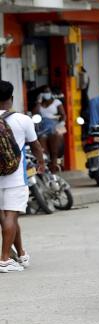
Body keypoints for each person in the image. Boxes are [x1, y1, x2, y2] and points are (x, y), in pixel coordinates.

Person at [0, 80, 45, 272]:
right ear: (11, 98)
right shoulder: (23, 120)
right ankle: (4, 259)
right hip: (15, 177)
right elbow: (35, 146)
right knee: (11, 215)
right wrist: (41, 163)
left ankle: (21, 254)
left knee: (7, 217)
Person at [33, 86, 66, 172]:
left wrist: (61, 123)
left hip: (54, 125)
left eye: (48, 92)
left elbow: (63, 115)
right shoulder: (41, 104)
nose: (47, 94)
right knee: (41, 142)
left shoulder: (56, 102)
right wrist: (39, 101)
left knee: (55, 142)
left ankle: (54, 164)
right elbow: (34, 113)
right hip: (42, 127)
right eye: (45, 92)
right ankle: (44, 165)